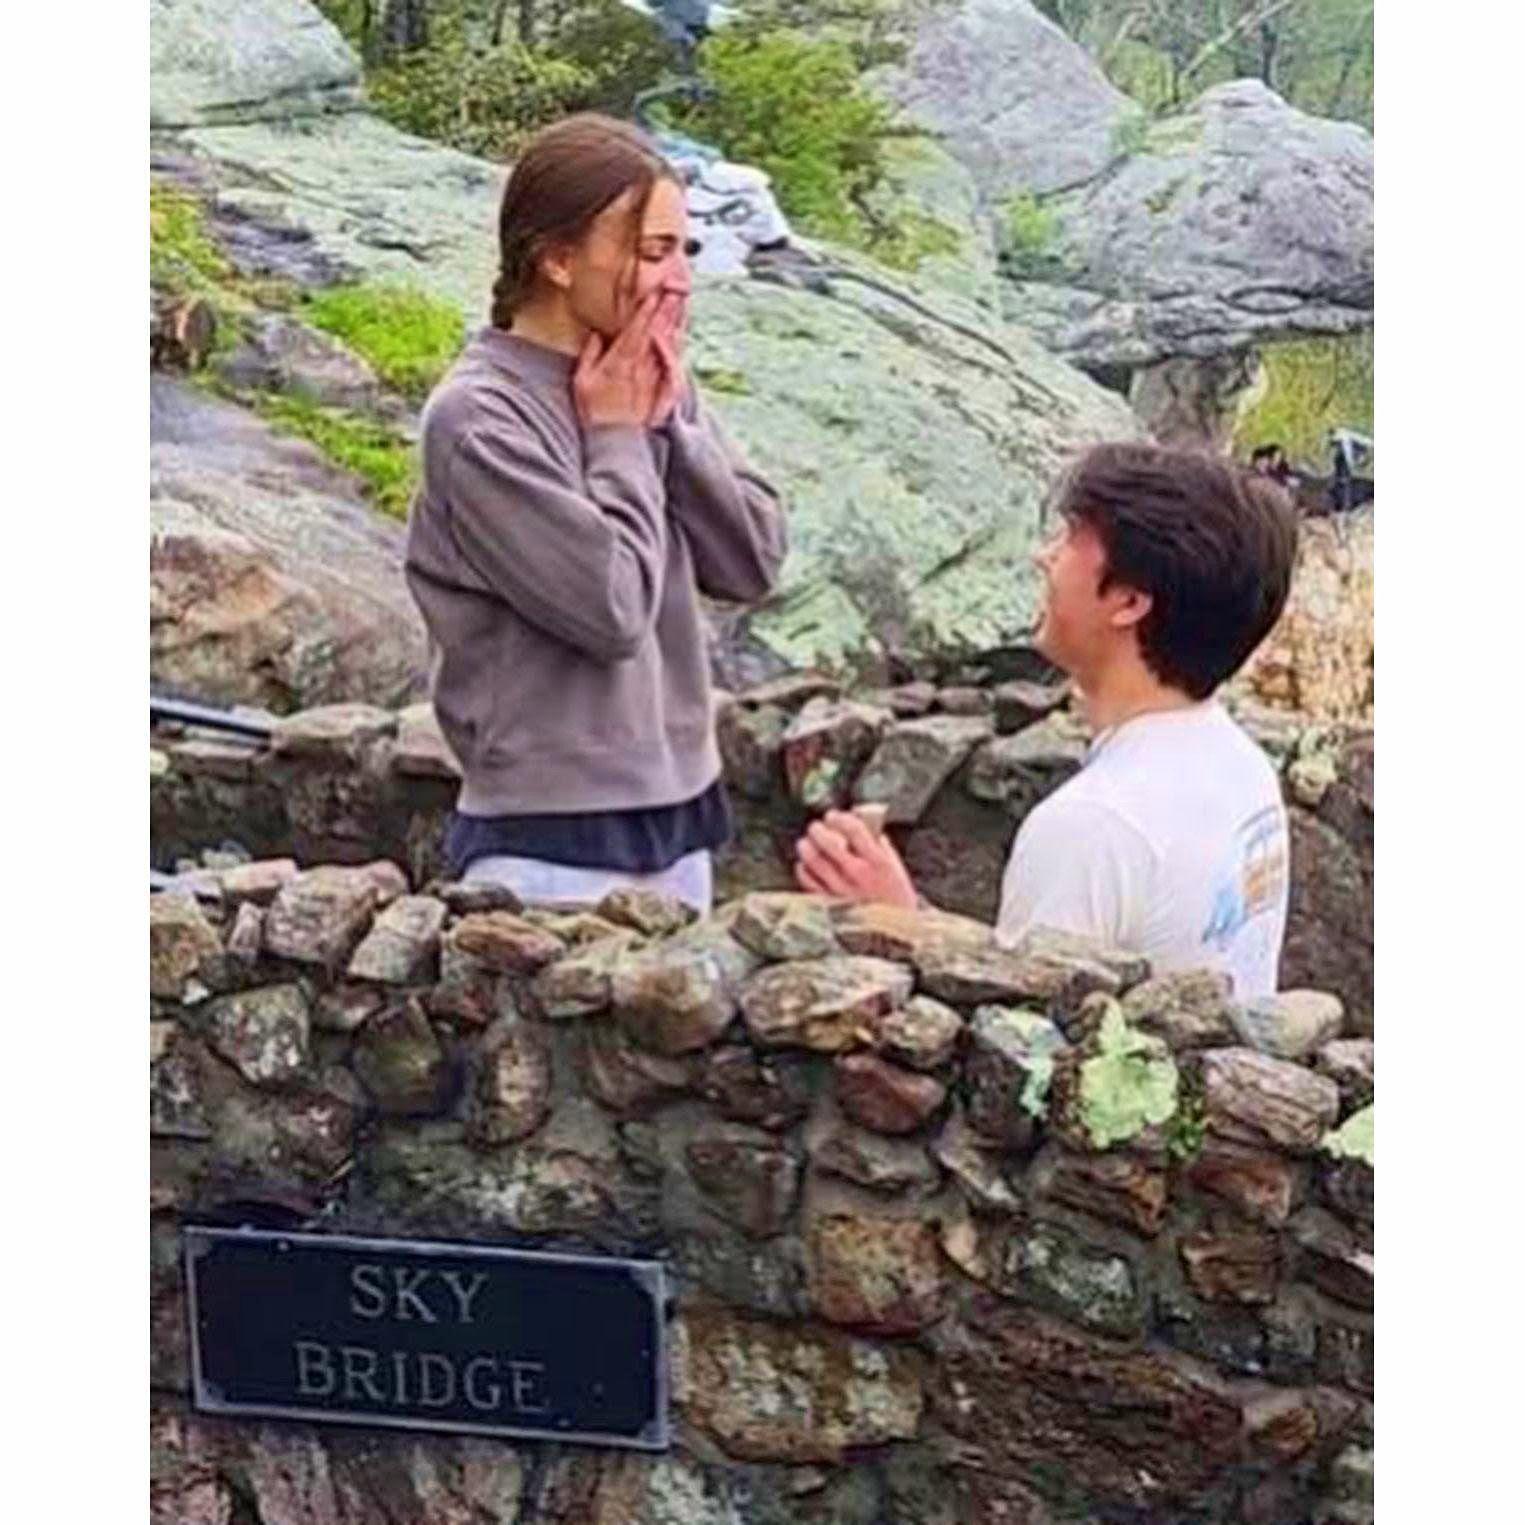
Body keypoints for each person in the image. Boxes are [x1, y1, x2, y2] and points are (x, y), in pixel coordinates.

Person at [405, 114, 788, 913]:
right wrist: (616, 435)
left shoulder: (648, 375)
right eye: (652, 252)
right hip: (548, 836)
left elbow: (752, 561)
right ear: (556, 259)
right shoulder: (478, 418)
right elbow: (610, 609)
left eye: (684, 251)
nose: (678, 280)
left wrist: (667, 425)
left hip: (684, 813)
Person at [793, 444, 1299, 998]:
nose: (1044, 557)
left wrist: (896, 928)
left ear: (1129, 602)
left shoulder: (1091, 827)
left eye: (1071, 538)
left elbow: (1025, 1037)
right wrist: (909, 914)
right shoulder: (1241, 767)